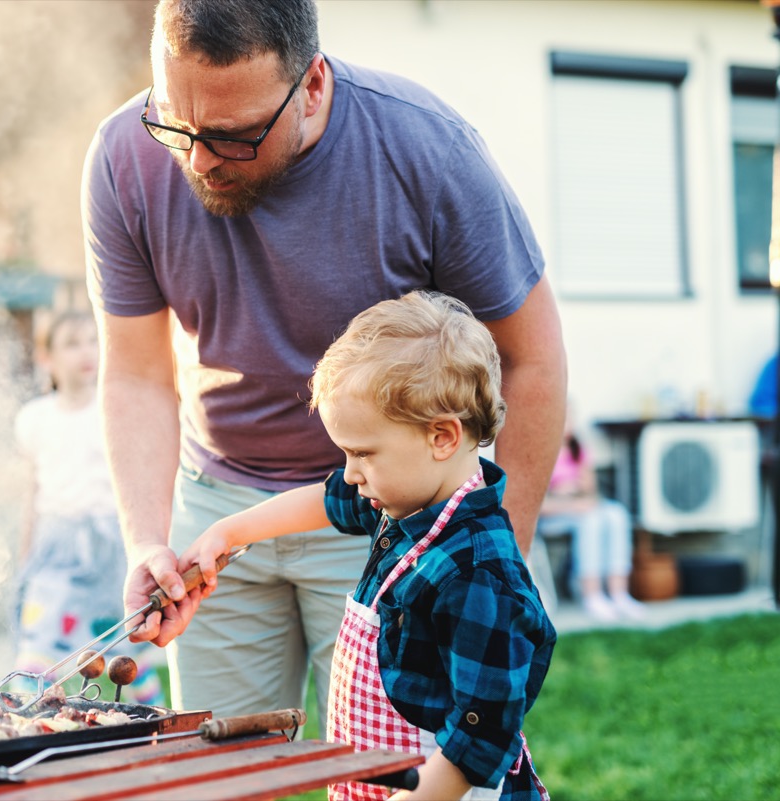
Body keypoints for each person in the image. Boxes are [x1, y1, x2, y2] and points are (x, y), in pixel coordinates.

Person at [81, 0, 567, 729]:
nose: (199, 158)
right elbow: (138, 373)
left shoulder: (428, 152)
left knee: (394, 771)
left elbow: (532, 358)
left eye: (235, 135)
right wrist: (152, 539)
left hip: (393, 507)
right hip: (217, 509)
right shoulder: (122, 157)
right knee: (220, 772)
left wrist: (497, 559)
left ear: (310, 86)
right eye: (175, 124)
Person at [182, 292, 555, 801]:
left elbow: (479, 739)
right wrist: (230, 532)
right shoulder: (403, 501)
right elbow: (326, 499)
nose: (351, 472)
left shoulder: (478, 574)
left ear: (442, 436)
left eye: (362, 453)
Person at [11, 310, 164, 706]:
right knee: (40, 645)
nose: (85, 352)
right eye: (71, 343)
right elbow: (33, 493)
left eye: (92, 341)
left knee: (115, 649)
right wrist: (25, 555)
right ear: (47, 358)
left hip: (109, 545)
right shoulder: (34, 418)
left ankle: (140, 725)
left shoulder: (112, 411)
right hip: (56, 545)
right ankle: (29, 721)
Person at [538, 410, 645, 623]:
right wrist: (565, 498)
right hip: (552, 517)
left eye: (571, 418)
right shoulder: (540, 452)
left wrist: (581, 491)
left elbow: (592, 493)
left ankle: (619, 592)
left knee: (616, 514)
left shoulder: (579, 451)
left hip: (580, 507)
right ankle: (591, 593)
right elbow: (539, 504)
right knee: (591, 520)